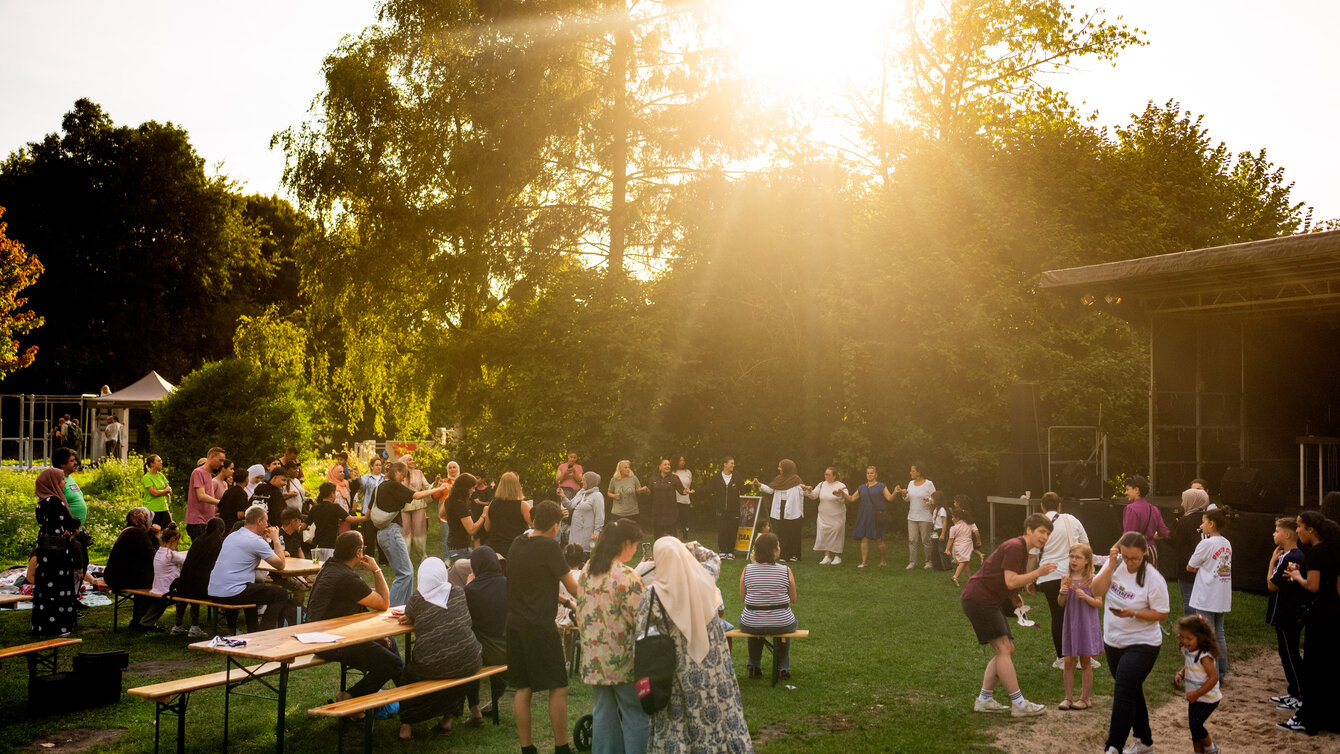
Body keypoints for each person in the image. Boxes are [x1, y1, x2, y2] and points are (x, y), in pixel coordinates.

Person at [638, 536, 751, 752]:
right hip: (714, 665)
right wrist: (687, 546)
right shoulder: (705, 578)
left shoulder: (653, 595)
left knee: (678, 719)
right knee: (720, 716)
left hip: (676, 669)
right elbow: (713, 556)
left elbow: (642, 631)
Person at [961, 513, 1054, 718]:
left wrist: (1013, 597)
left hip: (986, 599)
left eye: (1047, 534)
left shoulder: (1021, 549)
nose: (1044, 537)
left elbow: (1007, 581)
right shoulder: (1015, 547)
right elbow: (1011, 580)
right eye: (1041, 532)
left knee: (1007, 648)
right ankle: (1019, 703)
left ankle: (984, 700)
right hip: (979, 599)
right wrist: (1038, 573)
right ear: (1029, 530)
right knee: (1003, 648)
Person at [506, 500, 580, 754]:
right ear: (556, 525)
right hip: (539, 625)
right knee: (558, 685)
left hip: (515, 623)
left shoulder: (517, 543)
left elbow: (532, 582)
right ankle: (561, 747)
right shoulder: (550, 546)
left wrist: (561, 600)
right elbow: (573, 586)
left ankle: (527, 748)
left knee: (523, 687)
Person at [575, 519, 649, 754]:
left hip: (594, 658)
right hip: (624, 659)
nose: (636, 549)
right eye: (635, 544)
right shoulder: (627, 576)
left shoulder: (588, 570)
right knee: (635, 713)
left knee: (603, 713)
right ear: (625, 543)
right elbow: (642, 619)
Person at [1092, 532, 1171, 754]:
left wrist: (1133, 613)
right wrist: (1109, 566)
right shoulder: (1115, 565)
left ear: (1145, 553)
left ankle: (1113, 746)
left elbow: (1162, 614)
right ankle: (1144, 741)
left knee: (1124, 689)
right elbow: (1096, 591)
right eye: (1125, 557)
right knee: (1131, 689)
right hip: (1113, 640)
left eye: (1134, 558)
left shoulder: (1154, 579)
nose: (1129, 562)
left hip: (1143, 643)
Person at [307, 531, 402, 705]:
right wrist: (376, 569)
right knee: (392, 664)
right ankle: (351, 697)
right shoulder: (346, 578)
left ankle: (409, 698)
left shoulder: (330, 567)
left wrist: (377, 633)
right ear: (359, 552)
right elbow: (383, 603)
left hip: (323, 635)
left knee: (390, 645)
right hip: (332, 642)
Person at [395, 556, 483, 739]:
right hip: (470, 658)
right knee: (455, 667)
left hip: (433, 663)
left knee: (408, 676)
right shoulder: (458, 592)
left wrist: (413, 618)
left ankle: (406, 727)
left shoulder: (417, 598)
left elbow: (409, 613)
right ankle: (447, 719)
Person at [1278, 510, 1340, 735]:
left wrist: (1296, 576)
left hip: (1320, 616)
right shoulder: (1335, 549)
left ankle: (1309, 718)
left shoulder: (1317, 552)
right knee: (1330, 668)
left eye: (1299, 526)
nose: (1297, 530)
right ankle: (1331, 718)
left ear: (1310, 529)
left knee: (1314, 668)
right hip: (1335, 614)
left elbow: (1312, 586)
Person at [1026, 491, 1090, 669]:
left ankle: (1062, 658)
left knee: (1057, 615)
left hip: (1048, 575)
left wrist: (1029, 580)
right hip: (1072, 573)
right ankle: (1084, 655)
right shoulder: (1072, 520)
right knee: (1079, 614)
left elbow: (1032, 556)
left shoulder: (1037, 524)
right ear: (1059, 506)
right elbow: (1086, 546)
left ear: (1042, 507)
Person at [207, 506, 295, 632]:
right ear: (259, 521)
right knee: (281, 594)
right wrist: (276, 539)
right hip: (232, 593)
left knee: (253, 591)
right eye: (266, 522)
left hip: (214, 590)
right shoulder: (255, 541)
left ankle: (252, 630)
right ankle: (264, 632)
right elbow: (280, 564)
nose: (267, 525)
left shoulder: (233, 536)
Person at [373, 461, 439, 607]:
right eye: (403, 476)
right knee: (405, 573)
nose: (403, 480)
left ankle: (406, 608)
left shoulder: (378, 488)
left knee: (406, 571)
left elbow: (367, 514)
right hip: (392, 532)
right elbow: (416, 495)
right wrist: (437, 489)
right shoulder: (393, 485)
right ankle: (391, 609)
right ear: (397, 471)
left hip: (382, 534)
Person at [739, 532, 798, 680]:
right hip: (782, 622)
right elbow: (793, 598)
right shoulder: (786, 570)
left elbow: (743, 597)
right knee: (783, 624)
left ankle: (754, 666)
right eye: (778, 545)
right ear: (773, 550)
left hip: (751, 622)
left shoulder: (747, 570)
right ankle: (783, 668)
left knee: (754, 623)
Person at [32, 467, 82, 636]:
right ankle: (59, 626)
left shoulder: (41, 502)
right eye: (61, 480)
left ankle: (42, 625)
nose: (64, 482)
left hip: (45, 551)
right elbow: (69, 523)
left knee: (46, 586)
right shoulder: (55, 501)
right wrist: (72, 526)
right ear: (53, 482)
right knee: (60, 586)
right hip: (58, 552)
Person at [463, 545, 508, 721]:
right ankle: (495, 700)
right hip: (511, 648)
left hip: (485, 652)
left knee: (467, 653)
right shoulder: (508, 583)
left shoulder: (471, 590)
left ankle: (474, 709)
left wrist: (468, 585)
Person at [1186, 507, 1231, 680]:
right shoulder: (1226, 543)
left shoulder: (1206, 543)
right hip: (1221, 594)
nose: (1202, 525)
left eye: (1204, 521)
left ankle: (1212, 675)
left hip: (1206, 594)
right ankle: (1220, 673)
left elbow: (1190, 566)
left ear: (1211, 524)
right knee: (1219, 633)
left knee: (1207, 635)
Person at [1265, 517, 1305, 712]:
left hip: (1288, 612)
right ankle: (1293, 691)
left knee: (1291, 653)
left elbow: (1272, 584)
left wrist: (1272, 562)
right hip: (1281, 610)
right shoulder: (1287, 555)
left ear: (1287, 534)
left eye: (1277, 530)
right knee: (1285, 652)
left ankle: (1300, 694)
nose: (1274, 534)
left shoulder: (1293, 557)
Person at [1057, 543, 1102, 711]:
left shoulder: (1092, 579)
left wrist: (1085, 596)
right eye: (1071, 557)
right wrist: (1062, 593)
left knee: (1085, 660)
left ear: (1087, 561)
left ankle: (1085, 698)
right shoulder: (1065, 578)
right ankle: (1068, 698)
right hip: (1070, 623)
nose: (1073, 560)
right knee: (1068, 660)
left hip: (1086, 624)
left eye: (1078, 557)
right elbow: (1061, 603)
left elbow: (1098, 603)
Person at [105, 507, 164, 631]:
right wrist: (157, 536)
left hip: (115, 576)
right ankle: (145, 622)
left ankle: (138, 620)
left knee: (150, 578)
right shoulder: (138, 533)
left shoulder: (129, 530)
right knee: (162, 583)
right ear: (144, 520)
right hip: (122, 578)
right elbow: (155, 557)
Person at [1172, 614, 1222, 754]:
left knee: (1196, 724)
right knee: (1193, 727)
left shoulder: (1204, 656)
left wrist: (1196, 694)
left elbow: (1213, 678)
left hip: (1208, 698)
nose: (1185, 641)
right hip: (1194, 697)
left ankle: (1211, 749)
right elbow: (1190, 666)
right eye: (1182, 637)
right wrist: (1181, 674)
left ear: (1200, 638)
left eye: (1189, 638)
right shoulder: (1189, 651)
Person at [173, 517, 225, 637]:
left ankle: (177, 625)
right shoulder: (218, 545)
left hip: (184, 584)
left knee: (190, 586)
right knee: (198, 586)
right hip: (203, 588)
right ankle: (194, 626)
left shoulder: (198, 540)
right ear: (221, 530)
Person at [839, 466, 896, 568]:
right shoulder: (862, 487)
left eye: (871, 473)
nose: (869, 475)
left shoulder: (881, 486)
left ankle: (883, 561)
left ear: (876, 474)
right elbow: (852, 498)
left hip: (876, 516)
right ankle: (863, 562)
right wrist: (842, 493)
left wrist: (895, 492)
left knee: (879, 540)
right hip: (864, 515)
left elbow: (890, 498)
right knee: (864, 538)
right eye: (868, 473)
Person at [752, 460, 804, 563]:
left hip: (793, 509)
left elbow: (803, 491)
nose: (779, 469)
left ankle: (795, 555)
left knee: (794, 532)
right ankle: (784, 555)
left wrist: (807, 489)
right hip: (781, 508)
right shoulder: (778, 479)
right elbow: (771, 490)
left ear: (787, 468)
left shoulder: (796, 479)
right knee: (783, 532)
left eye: (780, 467)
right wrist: (759, 484)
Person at [398, 454, 447, 563]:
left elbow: (427, 487)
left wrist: (435, 483)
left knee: (420, 529)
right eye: (409, 460)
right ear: (404, 462)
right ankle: (405, 557)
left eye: (412, 459)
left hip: (419, 503)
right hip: (404, 504)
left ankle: (422, 555)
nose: (412, 461)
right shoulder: (401, 474)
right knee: (404, 530)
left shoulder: (419, 473)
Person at [1170, 487, 1211, 618]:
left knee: (1188, 600)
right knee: (1205, 602)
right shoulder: (1210, 520)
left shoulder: (1185, 520)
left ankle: (1192, 629)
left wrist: (1163, 537)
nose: (1182, 504)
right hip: (1207, 567)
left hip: (1187, 567)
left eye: (1184, 501)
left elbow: (1178, 543)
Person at [893, 461, 936, 569]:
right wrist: (904, 494)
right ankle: (912, 562)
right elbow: (908, 499)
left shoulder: (928, 484)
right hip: (912, 517)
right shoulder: (911, 483)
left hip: (925, 517)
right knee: (912, 540)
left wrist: (929, 500)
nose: (910, 472)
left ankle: (929, 562)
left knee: (926, 541)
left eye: (913, 471)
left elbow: (935, 499)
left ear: (919, 472)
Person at [702, 457, 747, 560]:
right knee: (722, 531)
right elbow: (708, 489)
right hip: (721, 509)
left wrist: (750, 485)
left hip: (734, 509)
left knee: (732, 531)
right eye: (731, 463)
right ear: (725, 464)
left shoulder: (736, 476)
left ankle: (730, 551)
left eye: (733, 463)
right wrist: (695, 492)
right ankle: (722, 551)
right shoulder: (717, 477)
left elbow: (743, 489)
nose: (733, 465)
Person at [482, 472, 533, 558]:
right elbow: (536, 525)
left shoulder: (492, 504)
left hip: (494, 549)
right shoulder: (522, 505)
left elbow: (487, 528)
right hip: (514, 549)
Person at [1121, 476, 1169, 568]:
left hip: (1135, 552)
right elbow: (1163, 533)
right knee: (1150, 579)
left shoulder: (1130, 509)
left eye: (1127, 489)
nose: (1125, 492)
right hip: (1151, 551)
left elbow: (1129, 536)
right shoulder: (1154, 509)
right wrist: (1150, 536)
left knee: (1135, 581)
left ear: (1137, 490)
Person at [152, 524, 190, 635]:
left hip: (158, 587)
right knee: (187, 594)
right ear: (173, 540)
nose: (177, 544)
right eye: (177, 542)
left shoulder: (159, 552)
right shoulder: (171, 555)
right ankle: (180, 625)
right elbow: (187, 561)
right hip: (168, 589)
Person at [806, 466, 848, 565]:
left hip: (837, 516)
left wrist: (839, 495)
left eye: (828, 474)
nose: (826, 476)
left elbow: (845, 500)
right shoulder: (822, 484)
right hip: (823, 516)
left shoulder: (841, 486)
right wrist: (808, 490)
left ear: (834, 476)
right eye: (825, 474)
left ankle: (837, 556)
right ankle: (827, 556)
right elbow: (814, 496)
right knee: (824, 534)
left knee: (837, 534)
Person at [186, 448, 227, 542]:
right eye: (220, 460)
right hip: (197, 522)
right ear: (212, 456)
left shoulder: (209, 474)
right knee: (200, 554)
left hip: (207, 521)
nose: (222, 464)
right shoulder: (198, 472)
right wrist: (221, 502)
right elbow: (201, 496)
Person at [311, 481, 359, 561]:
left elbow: (304, 526)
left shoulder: (315, 508)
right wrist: (367, 517)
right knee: (329, 568)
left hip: (317, 545)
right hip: (330, 545)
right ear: (332, 494)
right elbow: (350, 519)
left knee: (318, 569)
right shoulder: (335, 507)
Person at [441, 473, 483, 562]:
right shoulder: (460, 506)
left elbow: (441, 513)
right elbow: (471, 530)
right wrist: (483, 515)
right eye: (472, 488)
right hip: (460, 549)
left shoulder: (450, 500)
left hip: (453, 546)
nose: (474, 490)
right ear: (465, 489)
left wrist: (450, 494)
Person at [641, 459, 686, 541]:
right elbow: (649, 492)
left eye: (669, 464)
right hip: (657, 512)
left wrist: (686, 491)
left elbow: (682, 491)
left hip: (671, 512)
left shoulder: (674, 478)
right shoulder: (653, 478)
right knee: (658, 537)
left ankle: (673, 553)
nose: (668, 466)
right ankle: (659, 552)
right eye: (665, 464)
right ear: (660, 467)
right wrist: (646, 490)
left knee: (672, 538)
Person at [568, 472, 606, 554]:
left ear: (590, 482)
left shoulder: (597, 495)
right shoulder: (581, 492)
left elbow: (600, 517)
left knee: (583, 555)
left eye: (584, 480)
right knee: (572, 554)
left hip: (586, 532)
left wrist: (596, 533)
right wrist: (563, 496)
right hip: (575, 531)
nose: (582, 482)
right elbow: (570, 505)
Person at [52, 447, 87, 528]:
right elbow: (53, 508)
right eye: (72, 461)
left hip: (77, 529)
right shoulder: (58, 480)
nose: (75, 463)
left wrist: (81, 525)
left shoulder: (68, 477)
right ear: (62, 464)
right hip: (66, 531)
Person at [945, 508, 980, 586]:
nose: (952, 519)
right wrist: (978, 541)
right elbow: (976, 532)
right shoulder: (970, 523)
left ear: (957, 518)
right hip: (966, 546)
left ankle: (969, 579)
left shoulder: (953, 528)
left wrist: (947, 549)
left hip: (957, 547)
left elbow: (950, 539)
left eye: (953, 517)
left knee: (965, 563)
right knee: (963, 562)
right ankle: (955, 576)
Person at [607, 460, 641, 531]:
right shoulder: (614, 480)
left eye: (628, 467)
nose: (628, 469)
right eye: (625, 467)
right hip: (618, 513)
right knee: (618, 535)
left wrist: (642, 490)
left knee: (632, 534)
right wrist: (614, 496)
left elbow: (639, 490)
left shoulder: (634, 478)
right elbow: (609, 492)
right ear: (620, 469)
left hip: (632, 512)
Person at [671, 456, 694, 540]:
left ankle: (685, 540)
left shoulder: (688, 472)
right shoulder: (672, 472)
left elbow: (688, 486)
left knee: (685, 523)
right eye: (680, 460)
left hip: (685, 501)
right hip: (674, 501)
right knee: (673, 523)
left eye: (684, 460)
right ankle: (674, 541)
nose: (682, 462)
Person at [928, 491, 950, 571]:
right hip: (934, 531)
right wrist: (929, 505)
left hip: (940, 531)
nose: (931, 499)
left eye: (933, 498)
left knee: (941, 549)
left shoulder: (942, 510)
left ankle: (948, 567)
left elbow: (944, 522)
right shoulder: (936, 509)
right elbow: (932, 513)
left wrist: (943, 534)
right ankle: (937, 567)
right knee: (934, 549)